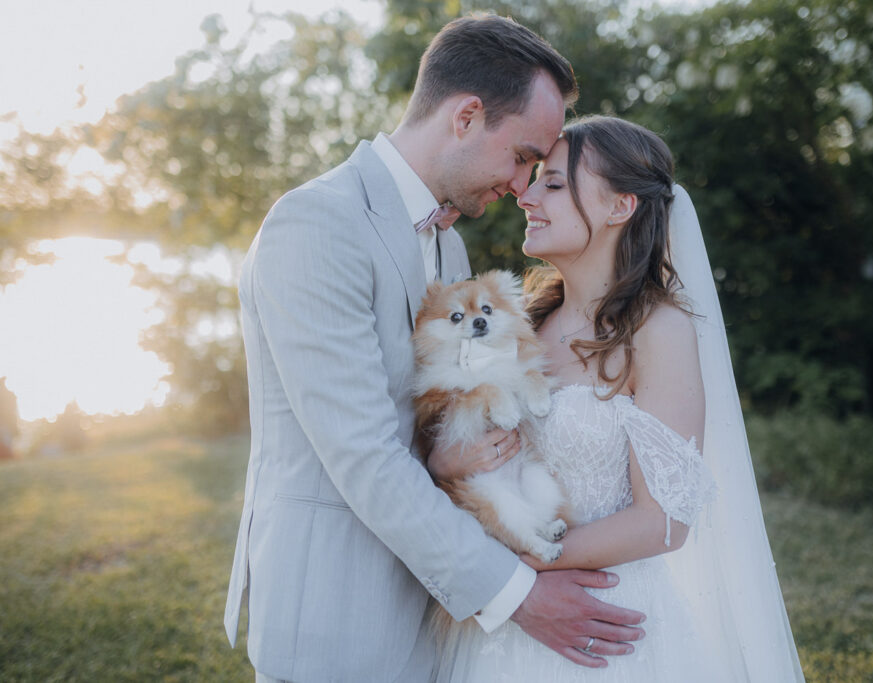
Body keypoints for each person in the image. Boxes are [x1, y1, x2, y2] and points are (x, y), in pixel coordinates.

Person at [223, 16, 646, 683]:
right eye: (522, 157)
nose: (520, 186)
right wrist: (520, 595)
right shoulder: (316, 225)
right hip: (339, 624)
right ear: (467, 116)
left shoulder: (447, 243)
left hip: (431, 617)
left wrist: (448, 451)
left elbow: (425, 413)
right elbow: (362, 453)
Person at [430, 116, 804, 681]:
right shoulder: (519, 326)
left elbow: (663, 522)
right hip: (502, 619)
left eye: (553, 184)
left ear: (620, 207)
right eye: (534, 180)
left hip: (602, 627)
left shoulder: (658, 331)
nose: (524, 196)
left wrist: (512, 566)